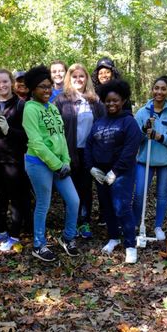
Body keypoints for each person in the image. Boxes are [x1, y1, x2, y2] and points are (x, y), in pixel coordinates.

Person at [22, 65, 80, 262]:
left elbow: (60, 137)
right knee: (43, 204)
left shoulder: (53, 107)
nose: (46, 90)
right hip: (38, 163)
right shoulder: (30, 108)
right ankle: (38, 245)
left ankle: (67, 238)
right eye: (41, 87)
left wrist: (66, 161)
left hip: (59, 164)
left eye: (48, 86)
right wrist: (57, 165)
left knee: (74, 201)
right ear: (32, 89)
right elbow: (36, 143)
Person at [86, 80, 141, 263]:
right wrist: (91, 167)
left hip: (121, 173)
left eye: (115, 100)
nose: (111, 104)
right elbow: (89, 144)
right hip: (100, 173)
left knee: (122, 207)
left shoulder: (128, 122)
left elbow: (130, 149)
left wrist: (115, 172)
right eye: (108, 101)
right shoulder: (99, 122)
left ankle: (130, 244)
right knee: (107, 206)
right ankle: (113, 237)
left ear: (123, 100)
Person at [0, 69, 31, 252]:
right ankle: (1, 230)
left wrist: (9, 130)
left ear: (11, 83)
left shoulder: (21, 105)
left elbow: (28, 136)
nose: (2, 85)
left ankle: (14, 236)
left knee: (16, 200)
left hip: (13, 161)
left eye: (5, 82)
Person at [54, 63, 105, 239]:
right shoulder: (61, 100)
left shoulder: (95, 100)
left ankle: (84, 222)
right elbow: (53, 128)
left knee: (85, 188)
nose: (78, 79)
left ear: (87, 79)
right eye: (74, 76)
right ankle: (71, 223)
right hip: (68, 152)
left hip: (88, 152)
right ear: (69, 78)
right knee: (70, 189)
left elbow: (104, 124)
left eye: (81, 76)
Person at [132, 76, 167, 241]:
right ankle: (136, 223)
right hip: (144, 160)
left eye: (163, 89)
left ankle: (158, 226)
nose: (159, 92)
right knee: (139, 193)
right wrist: (144, 130)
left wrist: (159, 136)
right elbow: (135, 138)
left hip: (165, 161)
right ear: (152, 89)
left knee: (162, 194)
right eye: (157, 88)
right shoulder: (143, 112)